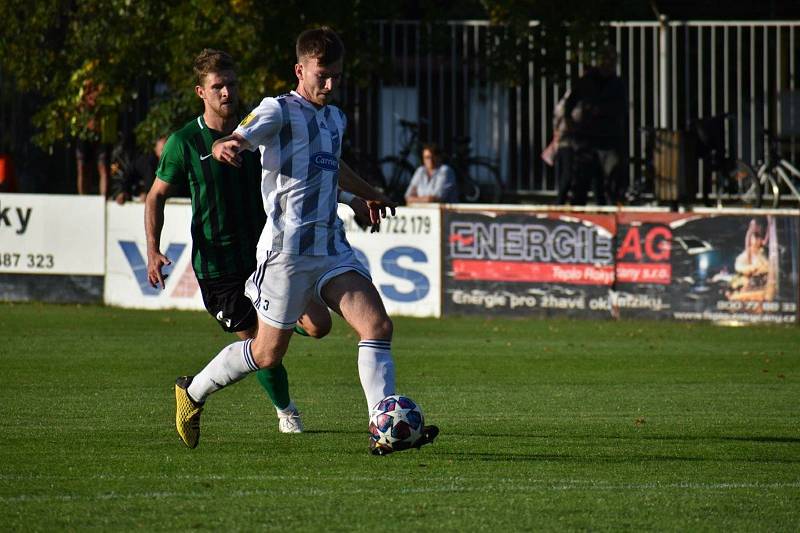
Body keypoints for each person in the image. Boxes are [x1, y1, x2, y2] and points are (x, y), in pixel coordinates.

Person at [174, 28, 439, 455]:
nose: (330, 84)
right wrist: (230, 144)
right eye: (322, 75)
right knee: (265, 355)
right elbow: (244, 134)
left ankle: (381, 427)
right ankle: (193, 391)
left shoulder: (334, 118)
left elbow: (330, 167)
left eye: (336, 75)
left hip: (331, 247)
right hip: (286, 255)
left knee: (376, 326)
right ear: (300, 70)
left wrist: (361, 196)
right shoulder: (277, 110)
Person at [148, 49, 375, 435]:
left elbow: (306, 178)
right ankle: (285, 411)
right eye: (217, 86)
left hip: (267, 254)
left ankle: (276, 329)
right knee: (262, 347)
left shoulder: (261, 131)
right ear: (200, 92)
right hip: (220, 266)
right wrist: (153, 249)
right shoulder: (184, 142)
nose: (226, 92)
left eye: (231, 84)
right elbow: (155, 196)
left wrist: (355, 199)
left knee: (319, 326)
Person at [556, 46, 626, 205]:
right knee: (582, 179)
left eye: (612, 61)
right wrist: (570, 121)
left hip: (608, 138)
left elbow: (621, 110)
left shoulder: (617, 84)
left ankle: (606, 207)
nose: (609, 64)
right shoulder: (588, 80)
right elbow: (570, 102)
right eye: (607, 60)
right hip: (587, 138)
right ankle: (577, 208)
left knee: (607, 182)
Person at [111, 136, 171, 204]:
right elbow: (149, 181)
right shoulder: (148, 162)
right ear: (156, 150)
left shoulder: (171, 162)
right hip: (132, 186)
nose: (165, 154)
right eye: (162, 150)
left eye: (168, 150)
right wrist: (123, 192)